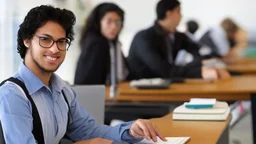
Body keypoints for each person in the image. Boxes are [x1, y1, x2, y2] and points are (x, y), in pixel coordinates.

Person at [0, 5, 166, 144]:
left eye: (61, 41)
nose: (54, 49)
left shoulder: (63, 90)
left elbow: (89, 131)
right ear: (27, 40)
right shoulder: (12, 94)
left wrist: (130, 130)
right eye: (45, 39)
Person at [127, 0, 230, 80]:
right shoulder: (144, 38)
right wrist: (198, 70)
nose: (181, 16)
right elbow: (163, 70)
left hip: (167, 83)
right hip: (142, 88)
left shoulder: (176, 36)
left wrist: (206, 62)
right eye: (179, 11)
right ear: (169, 14)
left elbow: (197, 50)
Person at [74, 3, 131, 85]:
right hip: (95, 95)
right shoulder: (96, 44)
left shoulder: (113, 43)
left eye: (118, 22)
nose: (114, 26)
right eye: (109, 21)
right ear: (98, 22)